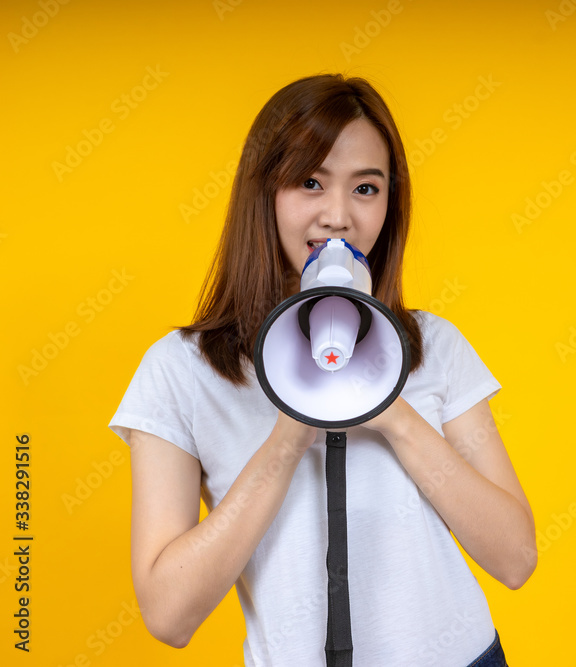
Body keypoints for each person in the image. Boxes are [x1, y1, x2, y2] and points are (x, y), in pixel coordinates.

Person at [109, 73, 536, 666]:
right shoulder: (180, 372)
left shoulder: (434, 346)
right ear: (264, 193)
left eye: (366, 188)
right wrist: (291, 430)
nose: (338, 216)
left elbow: (515, 558)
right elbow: (168, 614)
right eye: (310, 182)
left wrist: (393, 414)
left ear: (391, 203)